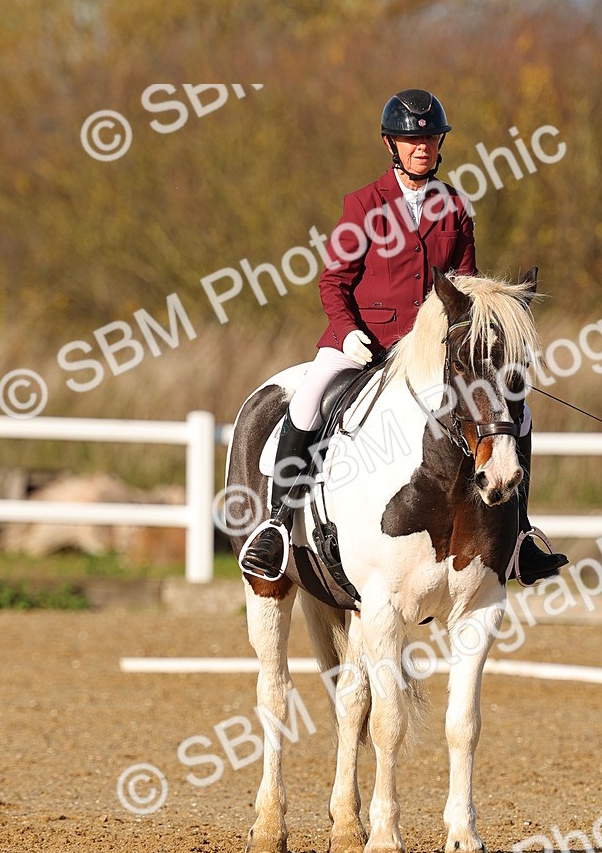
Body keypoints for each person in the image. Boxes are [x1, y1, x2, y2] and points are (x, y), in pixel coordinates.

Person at [240, 89, 568, 586]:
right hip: (364, 342)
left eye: (430, 139)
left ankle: (519, 534)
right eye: (412, 140)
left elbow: (464, 286)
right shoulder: (364, 205)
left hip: (431, 353)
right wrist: (349, 333)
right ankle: (277, 527)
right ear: (392, 145)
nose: (422, 147)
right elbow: (332, 281)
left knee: (514, 411)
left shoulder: (456, 206)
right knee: (306, 401)